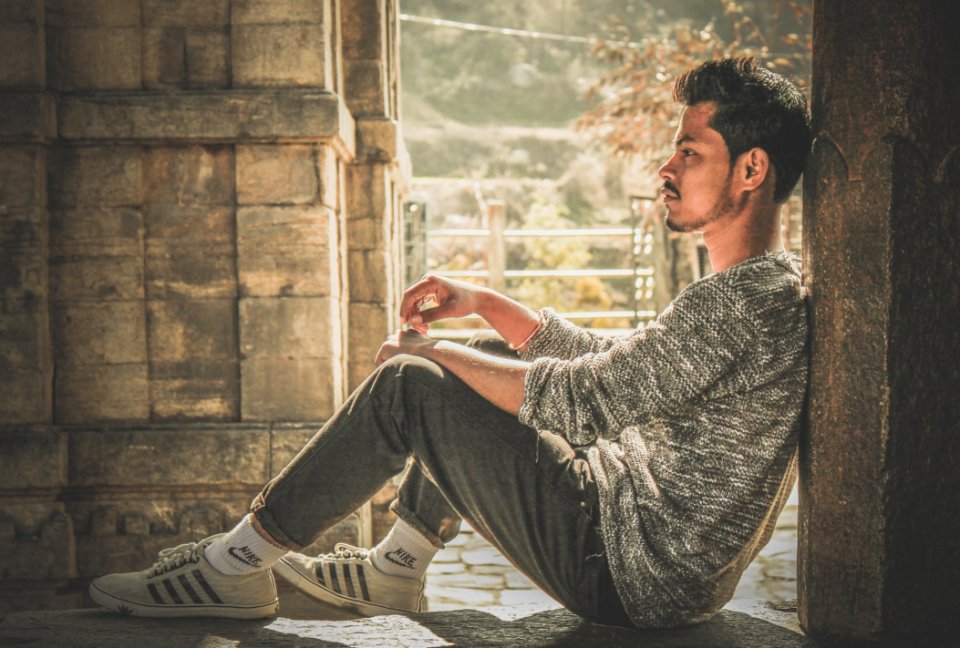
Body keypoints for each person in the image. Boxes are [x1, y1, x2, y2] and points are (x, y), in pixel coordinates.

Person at [88, 57, 811, 629]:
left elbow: (588, 399)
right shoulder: (753, 291)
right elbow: (619, 367)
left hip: (628, 569)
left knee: (412, 386)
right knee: (486, 365)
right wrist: (488, 308)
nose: (666, 169)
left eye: (689, 151)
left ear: (751, 169)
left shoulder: (741, 303)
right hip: (641, 546)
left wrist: (429, 354)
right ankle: (396, 570)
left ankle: (235, 565)